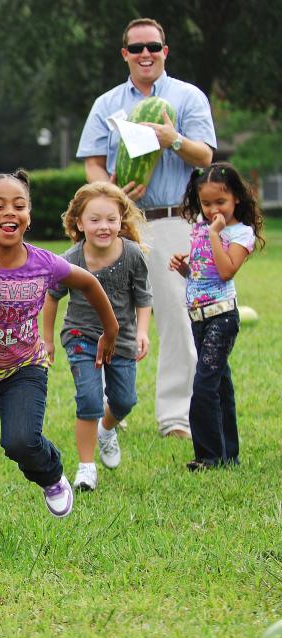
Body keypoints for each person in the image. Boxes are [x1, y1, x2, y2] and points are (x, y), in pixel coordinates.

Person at [0, 170, 119, 536]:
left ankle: (51, 474)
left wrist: (111, 330)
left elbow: (88, 282)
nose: (10, 212)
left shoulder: (44, 263)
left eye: (19, 206)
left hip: (25, 367)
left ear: (29, 216)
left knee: (20, 440)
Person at [77, 17, 216, 439]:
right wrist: (107, 191)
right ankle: (107, 413)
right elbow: (93, 160)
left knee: (175, 315)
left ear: (165, 51)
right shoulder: (107, 104)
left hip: (172, 218)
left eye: (153, 47)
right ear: (125, 54)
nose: (145, 54)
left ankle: (175, 417)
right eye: (136, 48)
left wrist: (171, 138)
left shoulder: (187, 97)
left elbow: (205, 156)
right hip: (121, 224)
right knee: (108, 316)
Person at [41, 182, 152, 492]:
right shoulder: (71, 259)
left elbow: (144, 298)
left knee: (124, 401)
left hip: (123, 338)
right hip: (81, 335)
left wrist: (142, 332)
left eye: (111, 219)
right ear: (79, 223)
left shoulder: (132, 255)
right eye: (95, 219)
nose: (104, 226)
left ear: (121, 221)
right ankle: (86, 467)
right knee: (89, 399)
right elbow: (52, 297)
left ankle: (107, 429)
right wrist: (47, 340)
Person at [168, 163, 264, 471]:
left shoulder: (240, 233)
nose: (212, 210)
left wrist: (213, 234)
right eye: (206, 203)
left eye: (219, 202)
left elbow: (226, 270)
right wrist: (184, 266)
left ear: (236, 198)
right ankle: (228, 455)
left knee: (205, 385)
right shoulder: (200, 226)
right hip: (198, 315)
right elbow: (202, 274)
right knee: (221, 385)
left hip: (222, 316)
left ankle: (208, 457)